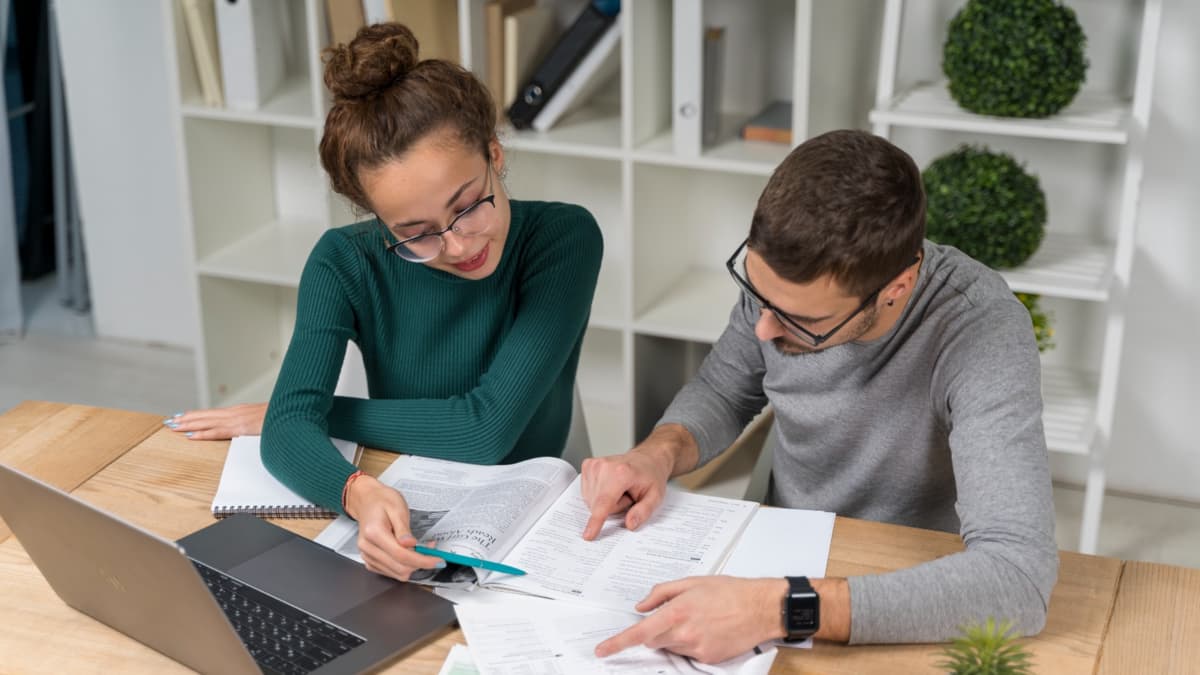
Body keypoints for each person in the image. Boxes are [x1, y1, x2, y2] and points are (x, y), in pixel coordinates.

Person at [580, 129, 1057, 664]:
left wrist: (781, 608)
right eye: (757, 295)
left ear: (895, 289)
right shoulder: (782, 287)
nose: (763, 328)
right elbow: (724, 388)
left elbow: (1017, 577)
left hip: (906, 588)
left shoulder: (982, 331)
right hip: (779, 554)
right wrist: (657, 452)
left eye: (801, 320)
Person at [167, 23, 602, 582]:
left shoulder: (564, 238)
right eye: (416, 232)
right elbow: (288, 435)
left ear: (494, 155)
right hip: (408, 486)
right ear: (376, 218)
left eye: (469, 206)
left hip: (534, 516)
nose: (458, 244)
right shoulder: (343, 262)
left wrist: (313, 413)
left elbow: (484, 430)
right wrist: (355, 491)